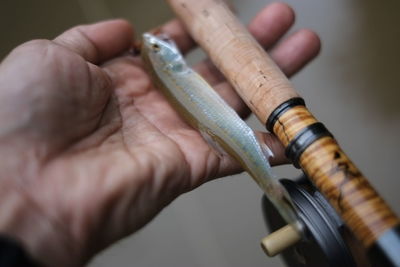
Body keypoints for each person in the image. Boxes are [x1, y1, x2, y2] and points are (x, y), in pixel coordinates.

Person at [0, 2, 320, 267]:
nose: (159, 43)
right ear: (165, 61)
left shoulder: (175, 69)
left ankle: (286, 205)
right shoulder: (168, 65)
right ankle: (283, 203)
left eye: (156, 47)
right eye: (157, 48)